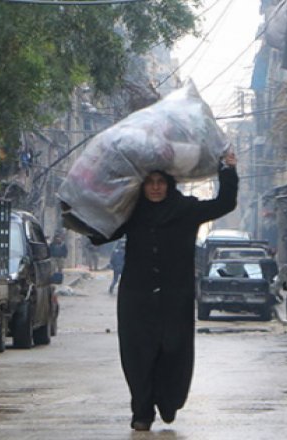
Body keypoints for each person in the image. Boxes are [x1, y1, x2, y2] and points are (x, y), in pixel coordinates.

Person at [92, 152, 238, 431]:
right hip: (136, 296)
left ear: (170, 184)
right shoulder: (131, 211)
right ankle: (142, 411)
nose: (156, 187)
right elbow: (101, 234)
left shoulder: (186, 209)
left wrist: (227, 170)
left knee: (173, 349)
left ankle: (169, 400)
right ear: (142, 186)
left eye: (161, 181)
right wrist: (80, 209)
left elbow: (224, 203)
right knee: (138, 355)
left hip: (175, 296)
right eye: (150, 182)